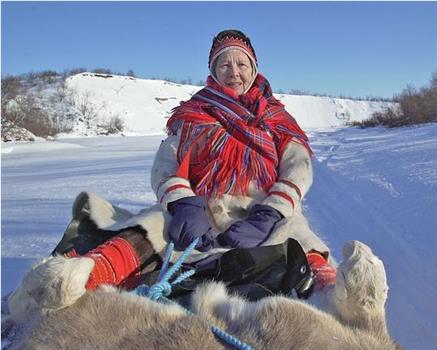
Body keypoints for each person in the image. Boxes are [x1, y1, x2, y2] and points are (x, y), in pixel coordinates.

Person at [10, 30, 336, 314]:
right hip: (201, 207)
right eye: (224, 64)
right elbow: (165, 164)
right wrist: (183, 203)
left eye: (241, 64)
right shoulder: (193, 115)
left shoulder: (276, 117)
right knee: (149, 226)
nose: (233, 72)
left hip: (261, 208)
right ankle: (87, 275)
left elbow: (297, 167)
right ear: (213, 70)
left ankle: (331, 292)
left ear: (253, 68)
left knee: (297, 233)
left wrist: (271, 211)